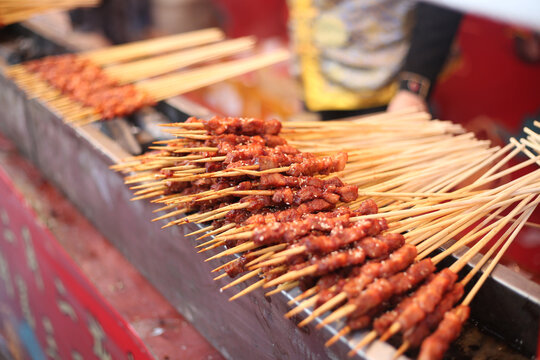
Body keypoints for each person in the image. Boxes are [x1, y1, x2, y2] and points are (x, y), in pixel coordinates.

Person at [288, 0, 463, 120]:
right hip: (318, 85)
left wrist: (413, 89)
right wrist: (303, 82)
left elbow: (443, 7)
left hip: (388, 93)